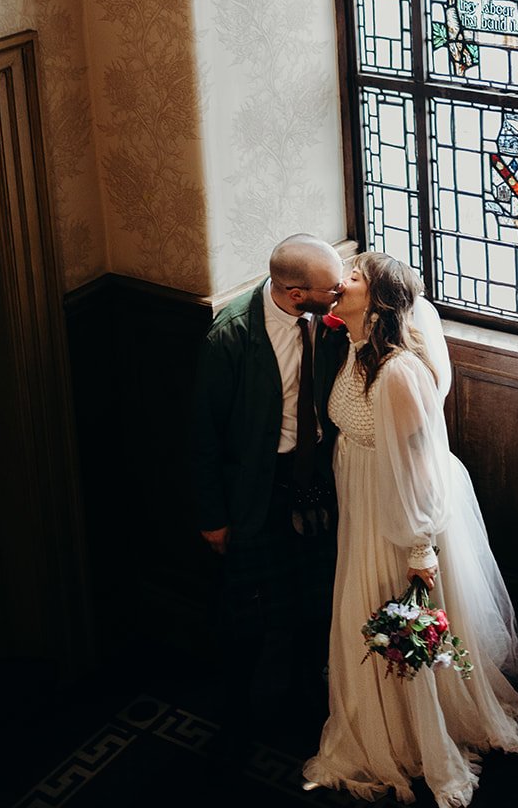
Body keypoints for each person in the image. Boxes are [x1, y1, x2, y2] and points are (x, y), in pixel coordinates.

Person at [303, 250, 518, 806]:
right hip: (362, 508)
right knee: (363, 617)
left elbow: (423, 466)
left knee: (396, 628)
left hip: (397, 519)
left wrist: (420, 549)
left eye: (353, 276)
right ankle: (375, 722)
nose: (340, 280)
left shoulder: (399, 373)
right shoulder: (356, 350)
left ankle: (417, 736)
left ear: (376, 302)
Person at [191, 233, 348, 718]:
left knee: (315, 604)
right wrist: (213, 516)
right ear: (295, 293)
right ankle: (237, 713)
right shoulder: (231, 336)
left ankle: (306, 700)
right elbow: (204, 434)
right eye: (331, 291)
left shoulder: (329, 324)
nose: (339, 295)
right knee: (248, 615)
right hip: (259, 489)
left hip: (318, 482)